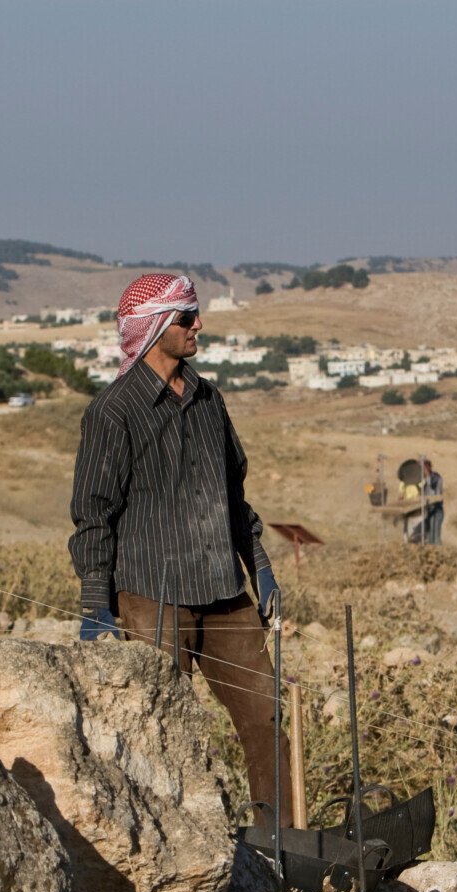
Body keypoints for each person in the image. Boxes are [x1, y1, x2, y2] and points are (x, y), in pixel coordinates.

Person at [69, 273, 292, 827]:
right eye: (187, 317)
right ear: (155, 326)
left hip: (223, 589)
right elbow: (92, 512)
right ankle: (170, 839)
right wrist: (96, 601)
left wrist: (258, 565)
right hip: (151, 594)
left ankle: (284, 845)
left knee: (264, 716)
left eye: (196, 315)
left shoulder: (208, 399)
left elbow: (231, 490)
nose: (199, 326)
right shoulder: (112, 411)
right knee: (160, 724)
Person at [422, 459, 444, 545]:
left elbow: (435, 491)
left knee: (435, 534)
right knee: (427, 534)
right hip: (427, 509)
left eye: (425, 468)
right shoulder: (422, 479)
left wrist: (427, 476)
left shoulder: (436, 477)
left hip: (436, 508)